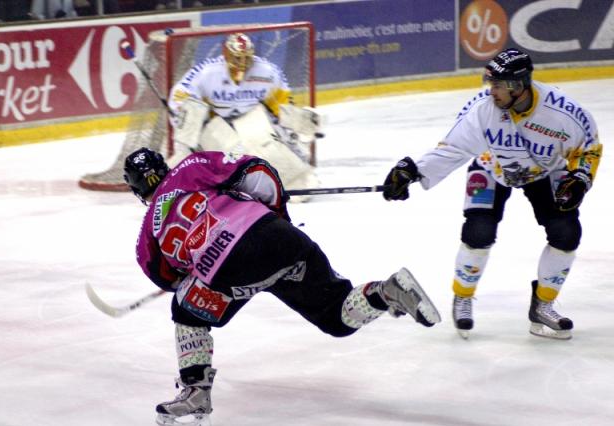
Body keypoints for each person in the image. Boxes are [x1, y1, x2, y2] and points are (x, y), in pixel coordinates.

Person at [123, 147, 441, 426]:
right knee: (337, 316)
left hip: (231, 269)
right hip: (279, 237)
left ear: (136, 190)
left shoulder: (145, 238)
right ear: (163, 167)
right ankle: (387, 291)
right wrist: (276, 216)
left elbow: (169, 279)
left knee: (185, 309)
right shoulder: (192, 166)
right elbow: (257, 171)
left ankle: (195, 393)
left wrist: (192, 272)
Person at [381, 48, 602, 340]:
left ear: (518, 85)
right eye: (491, 83)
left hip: (545, 172)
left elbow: (588, 148)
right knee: (478, 231)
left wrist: (580, 177)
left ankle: (543, 305)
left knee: (566, 233)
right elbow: (454, 148)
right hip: (491, 167)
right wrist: (413, 171)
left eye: (498, 85)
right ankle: (463, 296)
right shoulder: (483, 110)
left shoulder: (563, 112)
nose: (491, 91)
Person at [167, 32, 320, 191]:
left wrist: (298, 121)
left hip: (250, 122)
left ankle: (291, 180)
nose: (243, 63)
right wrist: (192, 130)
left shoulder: (268, 72)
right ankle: (179, 173)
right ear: (226, 54)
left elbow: (282, 107)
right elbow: (178, 97)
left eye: (247, 57)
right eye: (237, 58)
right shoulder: (206, 72)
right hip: (214, 125)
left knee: (270, 149)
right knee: (192, 112)